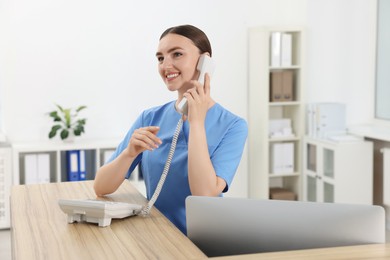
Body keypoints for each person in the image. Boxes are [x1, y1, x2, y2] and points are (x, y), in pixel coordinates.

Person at [93, 24, 248, 235]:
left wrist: (196, 122)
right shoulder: (150, 118)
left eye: (177, 54)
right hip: (157, 235)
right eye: (160, 58)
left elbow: (204, 194)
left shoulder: (233, 126)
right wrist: (129, 153)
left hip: (203, 240)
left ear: (205, 62)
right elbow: (101, 187)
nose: (166, 65)